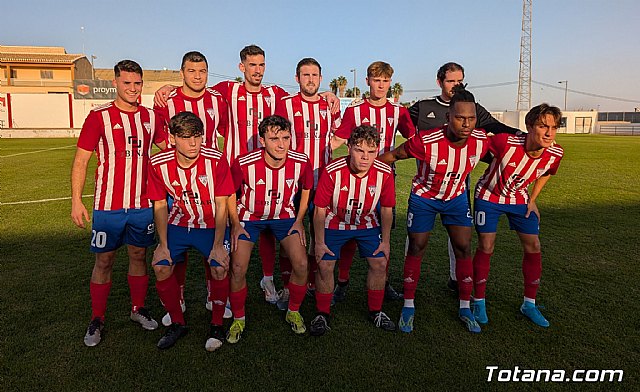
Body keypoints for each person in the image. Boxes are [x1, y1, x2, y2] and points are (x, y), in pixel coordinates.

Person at [155, 45, 339, 305]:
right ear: (242, 67)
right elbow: (195, 87)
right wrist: (168, 88)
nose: (257, 70)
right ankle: (219, 289)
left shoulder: (275, 94)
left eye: (261, 65)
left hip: (271, 169)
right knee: (227, 228)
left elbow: (307, 94)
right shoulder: (226, 91)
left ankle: (269, 278)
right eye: (252, 65)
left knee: (272, 224)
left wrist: (328, 93)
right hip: (232, 172)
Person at [71, 60, 167, 347]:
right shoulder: (98, 117)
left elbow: (169, 148)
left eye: (138, 83)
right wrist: (77, 201)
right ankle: (97, 318)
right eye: (127, 83)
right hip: (107, 206)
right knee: (104, 260)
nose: (133, 88)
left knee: (138, 256)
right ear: (115, 83)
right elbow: (81, 161)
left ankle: (137, 309)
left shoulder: (150, 118)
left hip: (141, 205)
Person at [380, 85, 489, 334]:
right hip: (424, 198)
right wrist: (366, 169)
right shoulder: (426, 141)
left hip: (456, 198)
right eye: (460, 118)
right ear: (449, 117)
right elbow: (395, 155)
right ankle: (408, 305)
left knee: (463, 248)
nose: (466, 124)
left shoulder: (482, 141)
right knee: (417, 246)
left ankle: (464, 307)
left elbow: (505, 154)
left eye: (471, 118)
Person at [408, 62, 520, 293]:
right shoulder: (423, 107)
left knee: (459, 237)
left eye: (460, 81)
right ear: (439, 82)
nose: (455, 85)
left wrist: (523, 135)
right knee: (416, 239)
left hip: (458, 186)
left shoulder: (473, 108)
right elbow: (399, 123)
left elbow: (495, 126)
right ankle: (408, 282)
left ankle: (455, 278)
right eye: (451, 81)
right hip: (426, 188)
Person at [154, 51, 230, 325]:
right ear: (182, 72)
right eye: (191, 71)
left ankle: (214, 294)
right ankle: (180, 297)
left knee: (210, 239)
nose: (197, 77)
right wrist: (176, 163)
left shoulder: (217, 99)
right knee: (180, 241)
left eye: (202, 71)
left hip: (212, 177)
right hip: (181, 181)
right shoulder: (168, 99)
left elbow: (225, 129)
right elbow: (161, 137)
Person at [471, 103, 564, 328]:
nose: (549, 132)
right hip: (489, 196)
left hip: (519, 200)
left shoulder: (555, 153)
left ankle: (529, 304)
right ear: (529, 126)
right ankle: (478, 300)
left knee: (533, 246)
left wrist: (533, 199)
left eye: (554, 127)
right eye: (543, 126)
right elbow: (474, 147)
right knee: (487, 245)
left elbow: (547, 173)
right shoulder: (505, 142)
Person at [330, 61, 415, 303]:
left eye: (386, 81)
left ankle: (384, 282)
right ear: (367, 81)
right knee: (349, 227)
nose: (381, 85)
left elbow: (414, 140)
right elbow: (338, 140)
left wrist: (396, 155)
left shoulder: (399, 111)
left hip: (384, 179)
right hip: (354, 179)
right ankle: (342, 282)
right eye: (377, 80)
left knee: (382, 232)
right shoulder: (354, 111)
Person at [147, 112, 234, 350]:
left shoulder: (216, 159)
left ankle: (217, 324)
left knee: (219, 267)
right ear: (172, 138)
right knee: (161, 265)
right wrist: (162, 244)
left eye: (197, 136)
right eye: (185, 137)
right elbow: (161, 204)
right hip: (178, 224)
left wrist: (218, 245)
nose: (193, 143)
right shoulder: (157, 163)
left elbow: (221, 203)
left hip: (209, 225)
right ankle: (177, 322)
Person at [226, 115, 314, 343]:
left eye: (286, 138)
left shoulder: (301, 161)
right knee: (237, 267)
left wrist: (299, 220)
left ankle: (293, 311)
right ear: (262, 140)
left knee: (302, 264)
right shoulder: (244, 162)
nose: (281, 144)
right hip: (249, 217)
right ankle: (239, 318)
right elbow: (228, 194)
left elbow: (306, 189)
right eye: (274, 138)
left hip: (284, 217)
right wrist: (235, 224)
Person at [311, 125, 397, 336]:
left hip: (367, 222)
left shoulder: (385, 173)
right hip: (335, 221)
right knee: (325, 263)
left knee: (379, 262)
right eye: (360, 150)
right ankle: (323, 313)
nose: (365, 157)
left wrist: (385, 241)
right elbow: (320, 210)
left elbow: (386, 210)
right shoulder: (332, 171)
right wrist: (319, 243)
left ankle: (375, 311)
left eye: (371, 151)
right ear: (349, 148)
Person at [273, 57, 341, 310]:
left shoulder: (329, 105)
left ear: (321, 79)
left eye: (314, 75)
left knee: (317, 234)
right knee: (289, 233)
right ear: (297, 78)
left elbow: (339, 136)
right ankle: (285, 285)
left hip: (323, 181)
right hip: (292, 183)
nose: (310, 79)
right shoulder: (286, 105)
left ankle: (311, 283)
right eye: (305, 75)